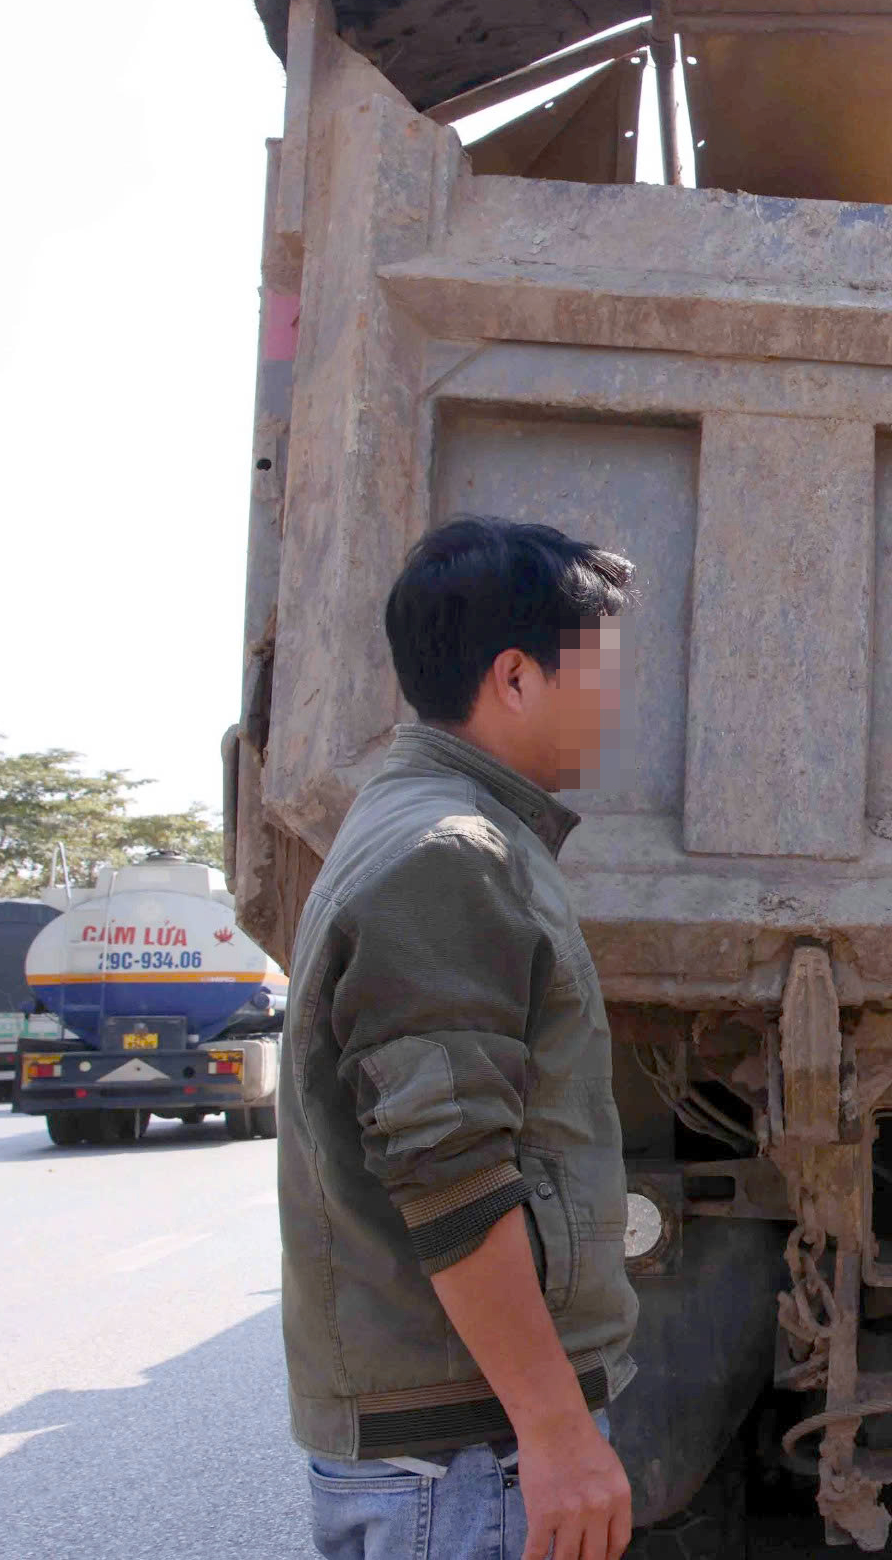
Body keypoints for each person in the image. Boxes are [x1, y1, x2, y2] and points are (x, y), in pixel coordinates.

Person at [281, 516, 641, 1560]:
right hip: (469, 1461)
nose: (615, 704)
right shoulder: (454, 854)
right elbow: (450, 1173)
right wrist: (556, 1432)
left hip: (454, 1450)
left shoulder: (421, 824)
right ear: (517, 678)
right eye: (600, 673)